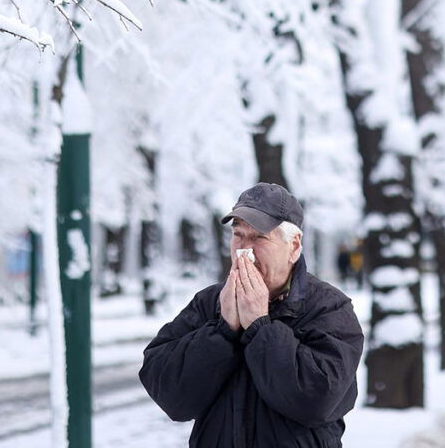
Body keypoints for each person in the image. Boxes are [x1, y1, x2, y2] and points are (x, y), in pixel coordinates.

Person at [139, 183, 364, 447]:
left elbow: (316, 400)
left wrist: (259, 326)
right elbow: (171, 395)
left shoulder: (328, 308)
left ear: (294, 246)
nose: (244, 249)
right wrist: (223, 331)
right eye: (238, 235)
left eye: (259, 237)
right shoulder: (209, 303)